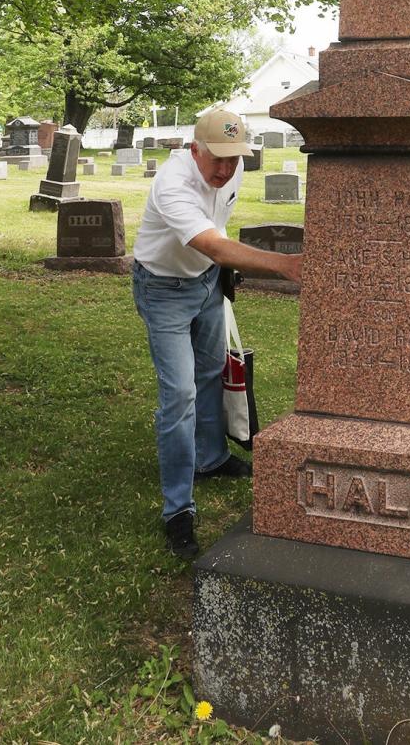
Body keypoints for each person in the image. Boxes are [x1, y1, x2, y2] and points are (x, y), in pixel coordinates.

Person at [132, 106, 302, 559]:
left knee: (210, 372)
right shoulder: (172, 183)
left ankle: (210, 457)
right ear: (194, 150)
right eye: (217, 160)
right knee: (180, 394)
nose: (227, 170)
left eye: (234, 158)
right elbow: (209, 241)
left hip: (207, 283)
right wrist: (286, 265)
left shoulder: (233, 169)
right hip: (163, 289)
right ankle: (177, 511)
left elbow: (217, 230)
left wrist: (221, 275)